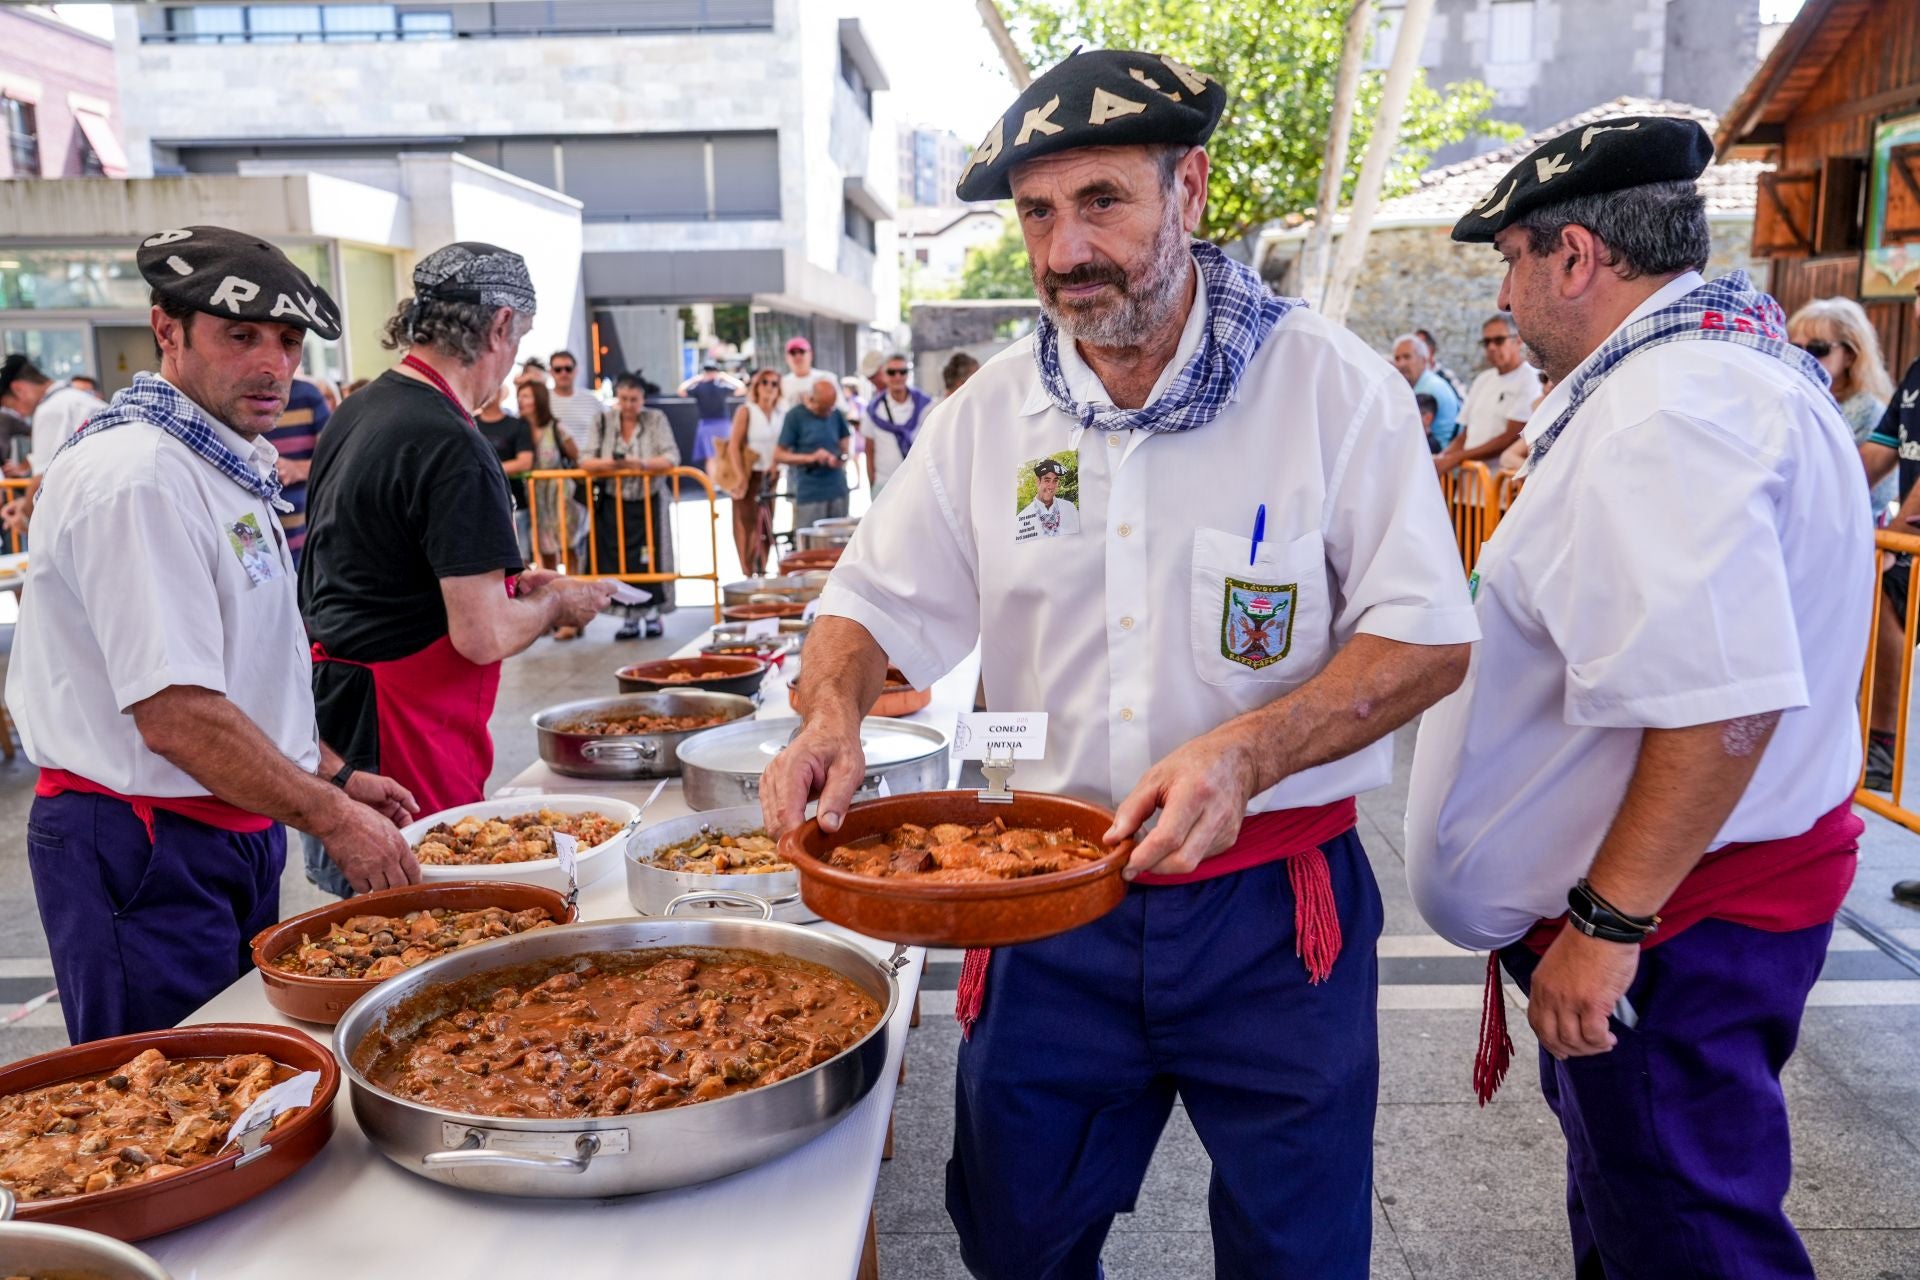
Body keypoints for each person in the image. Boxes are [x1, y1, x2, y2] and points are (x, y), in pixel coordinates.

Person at [761, 49, 1476, 1278]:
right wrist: (829, 714)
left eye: (1102, 202)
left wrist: (1248, 748)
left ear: (1188, 188)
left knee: (1298, 1250)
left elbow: (1428, 636)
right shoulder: (990, 415)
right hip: (1043, 905)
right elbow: (866, 601)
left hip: (1270, 912)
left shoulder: (1329, 388)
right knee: (1020, 1235)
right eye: (1037, 211)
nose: (1062, 250)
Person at [1404, 116, 1872, 1280]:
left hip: (1670, 930)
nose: (1507, 291)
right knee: (1641, 1218)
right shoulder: (1702, 376)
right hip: (1672, 916)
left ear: (1574, 256)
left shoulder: (1668, 409)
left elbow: (1721, 705)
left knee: (1690, 1236)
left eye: (1511, 257)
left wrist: (1608, 930)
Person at [8, 225, 420, 1040]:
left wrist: (330, 776)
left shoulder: (217, 460)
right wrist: (332, 820)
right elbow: (178, 714)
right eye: (241, 336)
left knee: (236, 1066)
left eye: (289, 342)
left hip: (227, 825)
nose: (274, 366)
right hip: (142, 844)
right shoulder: (142, 477)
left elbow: (244, 671)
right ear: (168, 330)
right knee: (167, 1097)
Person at [300, 242, 615, 896]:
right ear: (500, 325)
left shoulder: (361, 410)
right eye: (519, 336)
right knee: (427, 912)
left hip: (335, 713)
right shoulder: (451, 441)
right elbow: (482, 635)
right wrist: (557, 605)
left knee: (364, 913)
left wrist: (510, 587)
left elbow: (386, 562)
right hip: (402, 729)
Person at [584, 373, 680, 640]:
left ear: (643, 399)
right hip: (614, 502)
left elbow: (672, 456)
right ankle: (627, 616)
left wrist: (643, 465)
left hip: (649, 499)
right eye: (624, 399)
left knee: (651, 558)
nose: (628, 405)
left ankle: (652, 614)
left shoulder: (656, 419)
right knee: (619, 560)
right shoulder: (602, 421)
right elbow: (586, 460)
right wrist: (615, 465)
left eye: (634, 399)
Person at [1791, 298, 1895, 515]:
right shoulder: (1795, 398)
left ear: (1850, 355)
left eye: (1818, 348)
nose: (1803, 357)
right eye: (1795, 347)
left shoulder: (1867, 411)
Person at [0, 355, 106, 537]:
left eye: (10, 406)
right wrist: (25, 503)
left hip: (98, 510)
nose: (17, 413)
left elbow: (43, 481)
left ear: (19, 389)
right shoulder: (75, 399)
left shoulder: (52, 410)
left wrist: (24, 517)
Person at [1436, 311, 1538, 474]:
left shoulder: (1530, 379)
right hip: (1469, 486)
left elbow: (1512, 436)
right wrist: (1442, 458)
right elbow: (1465, 434)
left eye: (1498, 340)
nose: (1491, 347)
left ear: (1518, 340)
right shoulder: (1483, 379)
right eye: (1486, 342)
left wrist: (1456, 458)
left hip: (1498, 485)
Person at [264, 373, 330, 568]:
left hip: (305, 543)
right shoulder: (228, 401)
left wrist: (298, 469)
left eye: (289, 342)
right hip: (257, 545)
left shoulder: (308, 396)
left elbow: (338, 461)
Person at [726, 367, 782, 575]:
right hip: (749, 474)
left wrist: (777, 466)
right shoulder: (747, 411)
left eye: (774, 383)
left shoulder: (779, 414)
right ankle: (748, 570)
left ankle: (762, 568)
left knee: (767, 524)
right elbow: (734, 445)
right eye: (764, 383)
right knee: (746, 524)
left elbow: (781, 446)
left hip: (770, 475)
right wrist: (741, 476)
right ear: (757, 386)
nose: (769, 388)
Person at [776, 373, 851, 529]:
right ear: (811, 399)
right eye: (824, 409)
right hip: (810, 492)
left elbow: (845, 445)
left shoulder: (836, 414)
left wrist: (840, 458)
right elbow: (779, 455)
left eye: (831, 407)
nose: (828, 413)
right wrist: (811, 458)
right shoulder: (795, 416)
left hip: (837, 489)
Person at [475, 383, 534, 560]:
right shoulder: (469, 424)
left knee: (519, 557)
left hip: (514, 501)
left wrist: (488, 469)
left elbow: (525, 462)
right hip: (480, 503)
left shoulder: (517, 425)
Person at [863, 352, 931, 497]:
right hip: (885, 484)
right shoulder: (873, 410)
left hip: (917, 483)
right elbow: (869, 449)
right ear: (885, 374)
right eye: (892, 372)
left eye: (902, 372)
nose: (897, 377)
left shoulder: (925, 405)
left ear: (908, 374)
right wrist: (872, 483)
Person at [1391, 333, 1461, 451]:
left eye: (1407, 357)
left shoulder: (1429, 389)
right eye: (1397, 358)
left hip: (1435, 459)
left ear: (1423, 361)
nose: (1400, 364)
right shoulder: (1423, 383)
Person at [679, 362, 743, 467]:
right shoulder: (715, 387)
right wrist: (725, 377)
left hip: (713, 425)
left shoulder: (702, 387)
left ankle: (714, 483)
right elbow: (741, 387)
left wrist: (695, 379)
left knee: (712, 457)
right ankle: (717, 483)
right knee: (719, 456)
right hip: (716, 425)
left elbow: (681, 390)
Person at [546, 349, 601, 454]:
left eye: (568, 369)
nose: (563, 373)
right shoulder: (542, 399)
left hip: (587, 463)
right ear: (551, 372)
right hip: (551, 466)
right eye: (558, 369)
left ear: (576, 371)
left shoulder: (592, 401)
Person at [1014, 458, 1079, 538]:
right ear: (1038, 482)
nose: (1051, 486)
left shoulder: (1070, 508)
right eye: (1047, 480)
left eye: (1055, 481)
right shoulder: (1021, 519)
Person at [779, 336, 839, 416]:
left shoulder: (826, 378)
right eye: (793, 352)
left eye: (802, 351)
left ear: (810, 354)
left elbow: (840, 409)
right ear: (786, 358)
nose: (797, 356)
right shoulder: (780, 383)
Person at [1417, 327, 1468, 401]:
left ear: (1430, 349)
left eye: (1418, 347)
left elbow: (1464, 401)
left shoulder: (1447, 376)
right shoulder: (1410, 379)